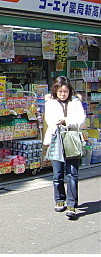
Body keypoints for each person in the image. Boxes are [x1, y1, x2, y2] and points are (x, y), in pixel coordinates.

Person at [43, 76, 86, 219]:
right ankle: (59, 199)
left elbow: (80, 120)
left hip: (72, 140)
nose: (63, 94)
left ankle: (72, 204)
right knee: (57, 174)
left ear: (70, 91)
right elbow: (50, 120)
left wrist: (66, 120)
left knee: (72, 174)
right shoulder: (50, 103)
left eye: (65, 91)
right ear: (55, 90)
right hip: (56, 139)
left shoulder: (76, 102)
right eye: (60, 91)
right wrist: (60, 121)